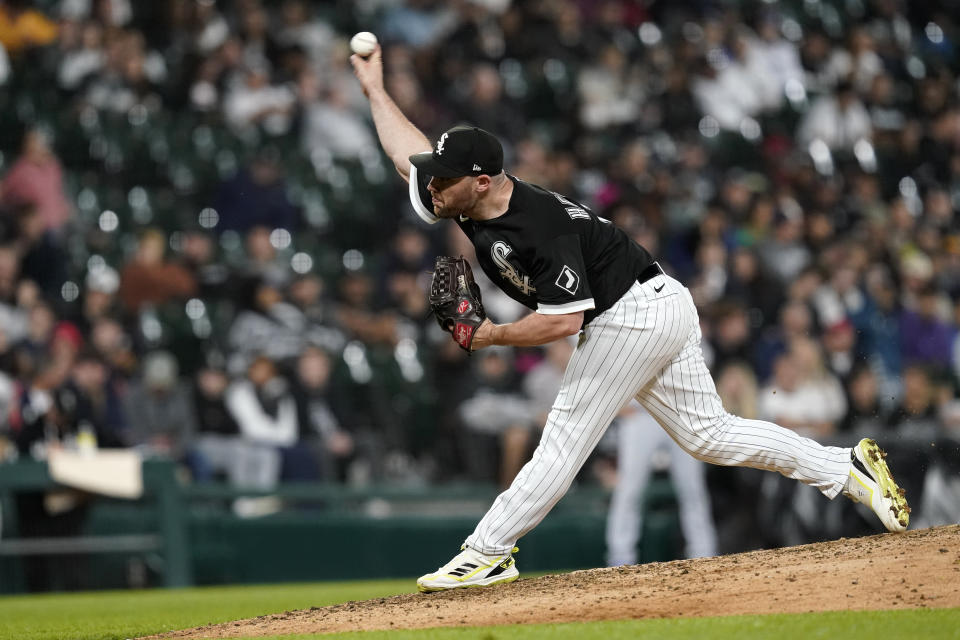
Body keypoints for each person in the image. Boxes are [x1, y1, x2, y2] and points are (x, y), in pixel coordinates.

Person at [350, 44, 911, 594]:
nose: (430, 186)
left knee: (564, 439)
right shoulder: (469, 198)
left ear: (480, 181)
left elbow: (562, 324)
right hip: (657, 302)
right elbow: (409, 155)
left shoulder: (537, 224)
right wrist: (376, 89)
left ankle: (487, 552)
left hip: (632, 314)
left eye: (443, 179)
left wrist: (490, 334)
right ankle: (844, 468)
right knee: (710, 434)